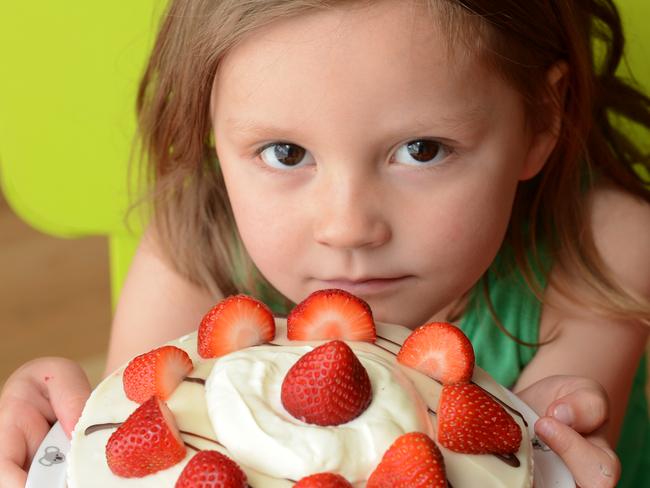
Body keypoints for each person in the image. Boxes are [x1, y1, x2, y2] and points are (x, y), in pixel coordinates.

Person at [1, 0, 649, 486]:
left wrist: (546, 451)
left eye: (421, 150)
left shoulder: (606, 252)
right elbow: (133, 464)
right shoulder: (191, 248)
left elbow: (528, 468)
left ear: (542, 118)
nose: (347, 226)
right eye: (286, 153)